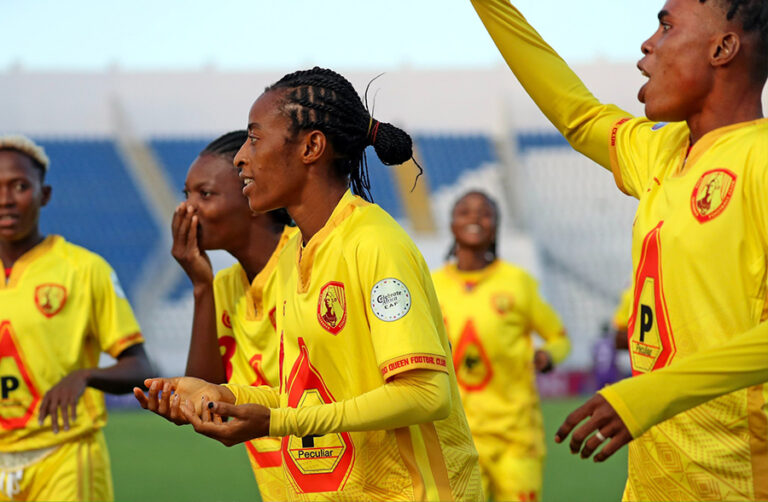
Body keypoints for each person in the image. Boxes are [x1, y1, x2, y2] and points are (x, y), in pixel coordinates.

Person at [134, 67, 483, 501]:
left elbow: (426, 394)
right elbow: (304, 394)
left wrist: (278, 423)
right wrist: (219, 393)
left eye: (254, 138)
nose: (241, 157)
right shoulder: (294, 254)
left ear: (311, 147)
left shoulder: (374, 242)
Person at [470, 0, 768, 500]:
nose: (647, 45)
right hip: (648, 485)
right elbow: (579, 115)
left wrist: (651, 394)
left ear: (723, 48)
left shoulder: (760, 159)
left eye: (666, 27)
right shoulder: (660, 149)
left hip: (737, 484)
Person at [0, 135, 153, 501]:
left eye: (20, 186)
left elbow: (139, 367)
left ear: (44, 194)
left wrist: (86, 376)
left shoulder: (84, 270)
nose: (6, 199)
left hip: (64, 457)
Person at [150, 131, 294, 500]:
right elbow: (203, 390)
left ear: (253, 195)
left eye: (205, 194)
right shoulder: (225, 284)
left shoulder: (308, 261)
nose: (186, 210)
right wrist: (201, 286)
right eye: (186, 195)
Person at [431, 190, 570, 502]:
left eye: (485, 213)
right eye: (465, 212)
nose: (475, 218)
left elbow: (560, 338)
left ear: (496, 225)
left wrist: (548, 355)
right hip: (456, 436)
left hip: (516, 436)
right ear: (452, 224)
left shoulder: (518, 282)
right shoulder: (431, 285)